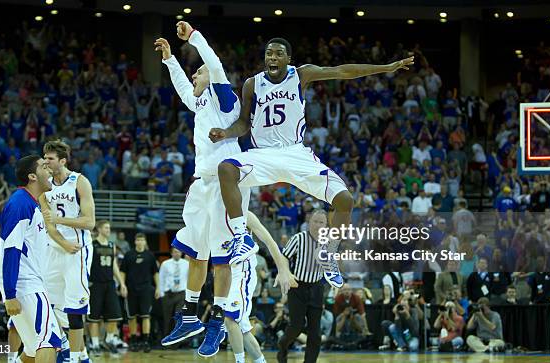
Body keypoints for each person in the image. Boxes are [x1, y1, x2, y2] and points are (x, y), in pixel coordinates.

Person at [209, 40, 413, 288]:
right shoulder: (253, 84)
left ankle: (329, 253)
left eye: (279, 53)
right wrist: (226, 133)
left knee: (345, 200)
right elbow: (244, 123)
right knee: (226, 168)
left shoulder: (301, 74)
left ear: (288, 58)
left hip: (296, 153)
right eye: (269, 54)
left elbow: (342, 71)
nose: (272, 57)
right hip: (262, 154)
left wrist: (386, 68)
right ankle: (241, 237)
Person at [154, 21, 252, 357]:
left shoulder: (224, 98)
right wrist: (170, 60)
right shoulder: (199, 103)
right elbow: (184, 89)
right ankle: (191, 315)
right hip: (201, 183)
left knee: (221, 260)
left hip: (227, 184)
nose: (195, 76)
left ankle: (219, 322)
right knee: (197, 252)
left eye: (199, 73)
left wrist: (194, 37)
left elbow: (214, 64)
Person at [0, 155, 62, 362]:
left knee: (33, 350)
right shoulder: (19, 204)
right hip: (25, 283)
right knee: (50, 341)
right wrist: (10, 294)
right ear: (32, 176)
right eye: (44, 166)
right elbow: (11, 250)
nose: (50, 169)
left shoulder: (31, 204)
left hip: (25, 282)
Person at [41, 140, 94, 363]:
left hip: (78, 250)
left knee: (75, 306)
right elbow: (49, 224)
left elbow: (90, 221)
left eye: (50, 158)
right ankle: (74, 351)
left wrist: (60, 220)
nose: (45, 161)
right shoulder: (45, 186)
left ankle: (74, 358)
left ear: (62, 161)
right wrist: (61, 243)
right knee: (48, 303)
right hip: (56, 249)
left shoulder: (79, 182)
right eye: (44, 158)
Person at [225, 211, 296, 363]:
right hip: (227, 275)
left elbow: (270, 241)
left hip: (243, 272)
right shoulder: (214, 212)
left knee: (230, 320)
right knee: (243, 330)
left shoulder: (244, 214)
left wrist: (283, 269)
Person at [277, 210, 333, 363]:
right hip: (297, 287)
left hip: (317, 288)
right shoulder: (298, 238)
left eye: (321, 222)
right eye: (315, 221)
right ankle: (282, 345)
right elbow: (284, 256)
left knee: (315, 333)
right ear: (309, 223)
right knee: (296, 327)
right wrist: (286, 273)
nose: (318, 225)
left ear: (326, 225)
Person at [87, 220, 127, 356]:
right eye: (106, 227)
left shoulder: (112, 245)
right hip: (95, 283)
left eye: (109, 228)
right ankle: (95, 343)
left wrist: (121, 283)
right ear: (99, 229)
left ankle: (109, 339)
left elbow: (114, 265)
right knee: (94, 317)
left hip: (110, 283)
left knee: (115, 315)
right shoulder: (92, 245)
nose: (108, 230)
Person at [120, 233, 159, 352]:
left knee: (146, 316)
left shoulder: (150, 256)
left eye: (142, 240)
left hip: (146, 289)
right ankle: (133, 341)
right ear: (135, 242)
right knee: (132, 317)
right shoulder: (128, 255)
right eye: (138, 240)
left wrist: (158, 287)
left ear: (145, 242)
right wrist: (122, 285)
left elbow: (155, 273)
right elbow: (123, 272)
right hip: (131, 289)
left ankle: (145, 341)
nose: (140, 242)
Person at [159, 247, 189, 334]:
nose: (177, 254)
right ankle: (167, 339)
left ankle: (177, 341)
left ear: (181, 253)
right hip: (168, 294)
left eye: (178, 252)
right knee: (167, 318)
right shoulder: (165, 264)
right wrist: (162, 293)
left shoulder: (186, 264)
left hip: (181, 293)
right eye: (175, 252)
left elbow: (189, 279)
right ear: (171, 253)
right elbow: (161, 278)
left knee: (178, 317)